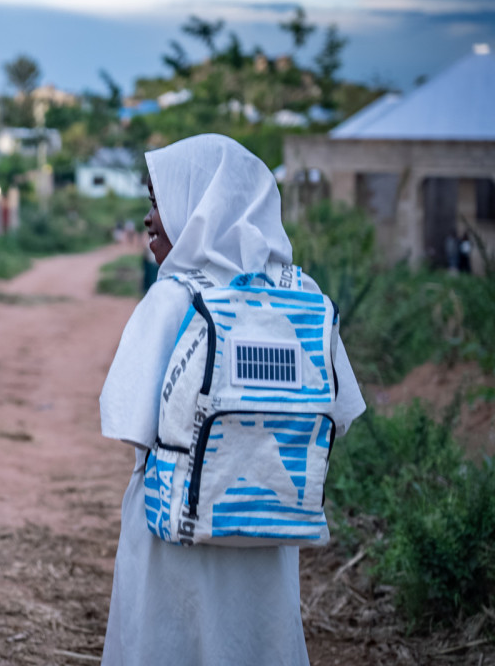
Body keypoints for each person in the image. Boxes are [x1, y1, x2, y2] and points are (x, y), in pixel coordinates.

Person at [98, 134, 365, 665]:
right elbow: (341, 416)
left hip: (173, 536)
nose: (150, 219)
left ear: (201, 205)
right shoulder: (303, 295)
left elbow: (127, 421)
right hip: (267, 533)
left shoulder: (174, 299)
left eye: (159, 200)